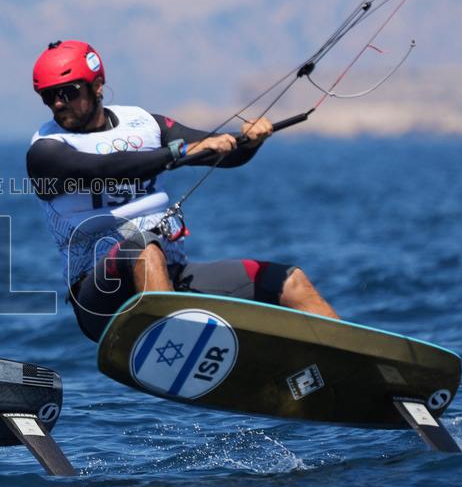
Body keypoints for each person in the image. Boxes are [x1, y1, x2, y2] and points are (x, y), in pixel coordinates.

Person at [26, 40, 337, 342]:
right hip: (100, 296)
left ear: (97, 85)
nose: (57, 103)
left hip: (170, 277)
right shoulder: (46, 151)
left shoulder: (144, 124)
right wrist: (178, 152)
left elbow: (219, 152)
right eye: (48, 96)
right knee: (143, 247)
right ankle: (175, 342)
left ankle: (368, 371)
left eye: (67, 92)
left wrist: (250, 142)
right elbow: (106, 167)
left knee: (291, 282)